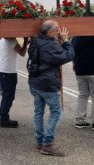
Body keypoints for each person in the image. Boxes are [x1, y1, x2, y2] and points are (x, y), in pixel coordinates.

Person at [28, 20, 74, 156]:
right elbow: (68, 55)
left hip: (35, 82)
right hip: (47, 84)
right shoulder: (49, 46)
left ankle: (39, 141)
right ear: (49, 32)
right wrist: (66, 41)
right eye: (57, 30)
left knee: (38, 112)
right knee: (57, 112)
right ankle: (47, 144)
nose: (59, 31)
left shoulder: (36, 41)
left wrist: (57, 41)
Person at [0, 38, 28, 128]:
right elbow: (22, 53)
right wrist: (26, 41)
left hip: (1, 70)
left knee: (5, 96)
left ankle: (4, 118)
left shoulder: (2, 40)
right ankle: (4, 120)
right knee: (9, 97)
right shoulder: (11, 41)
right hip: (9, 72)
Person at [70, 36, 94, 129]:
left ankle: (80, 121)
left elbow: (71, 52)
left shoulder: (76, 37)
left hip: (80, 70)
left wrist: (74, 63)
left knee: (82, 95)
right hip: (92, 70)